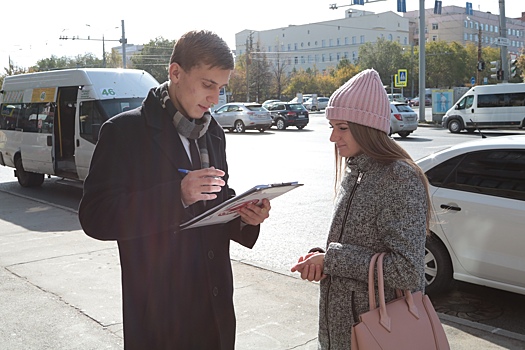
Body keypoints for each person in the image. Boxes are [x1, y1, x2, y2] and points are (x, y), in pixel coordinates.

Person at [78, 30, 271, 350]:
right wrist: (176, 195)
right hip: (160, 318)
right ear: (176, 72)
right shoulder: (124, 132)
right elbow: (96, 216)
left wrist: (245, 216)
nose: (214, 99)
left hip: (215, 310)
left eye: (221, 88)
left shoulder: (214, 134)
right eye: (208, 84)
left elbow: (216, 197)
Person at [291, 69, 431, 349]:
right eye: (332, 126)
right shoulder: (356, 171)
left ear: (368, 129)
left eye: (342, 128)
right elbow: (357, 247)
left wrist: (332, 260)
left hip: (378, 334)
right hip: (342, 332)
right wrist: (323, 258)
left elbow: (407, 271)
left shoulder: (399, 177)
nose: (333, 137)